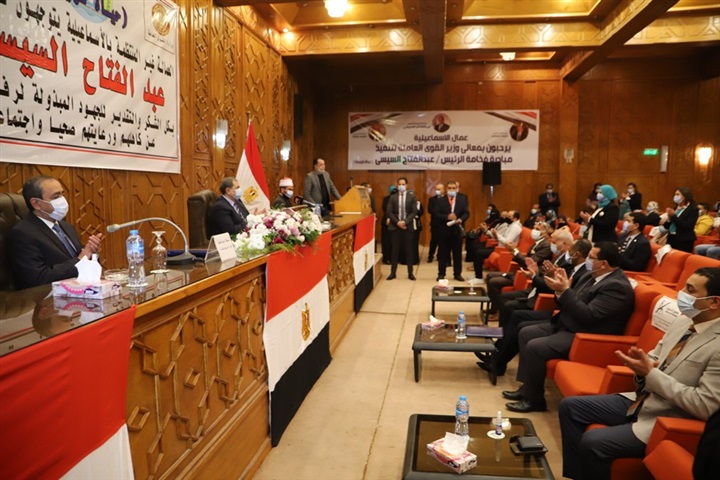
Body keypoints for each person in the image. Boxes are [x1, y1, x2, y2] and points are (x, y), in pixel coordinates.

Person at [558, 267, 720, 480]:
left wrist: (651, 374)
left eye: (690, 290)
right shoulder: (683, 321)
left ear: (714, 302)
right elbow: (656, 356)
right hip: (642, 400)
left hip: (669, 417)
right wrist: (641, 368)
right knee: (570, 407)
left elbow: (706, 405)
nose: (681, 294)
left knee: (593, 441)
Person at [503, 242, 635, 413]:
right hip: (567, 323)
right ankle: (527, 388)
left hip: (586, 335)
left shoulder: (617, 286)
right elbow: (566, 301)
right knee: (526, 332)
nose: (587, 260)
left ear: (604, 264)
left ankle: (534, 401)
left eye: (591, 258)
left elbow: (588, 316)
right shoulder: (590, 275)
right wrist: (559, 290)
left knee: (535, 347)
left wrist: (565, 291)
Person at [478, 238, 591, 376]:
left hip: (558, 313)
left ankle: (498, 361)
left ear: (577, 253)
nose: (568, 252)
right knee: (513, 313)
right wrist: (541, 275)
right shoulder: (572, 267)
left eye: (570, 250)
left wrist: (537, 277)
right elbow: (558, 291)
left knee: (518, 320)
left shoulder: (583, 273)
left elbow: (565, 296)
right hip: (555, 307)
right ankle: (496, 355)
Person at [8, 175, 104, 290]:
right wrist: (80, 260)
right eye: (56, 196)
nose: (62, 200)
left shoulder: (67, 227)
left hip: (81, 290)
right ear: (36, 204)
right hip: (48, 296)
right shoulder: (22, 234)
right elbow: (38, 278)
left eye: (62, 194)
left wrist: (92, 253)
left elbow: (83, 258)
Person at [485, 223, 553, 318]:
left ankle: (499, 312)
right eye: (534, 228)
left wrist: (515, 251)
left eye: (537, 229)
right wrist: (513, 251)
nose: (534, 231)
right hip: (520, 271)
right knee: (489, 276)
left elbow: (530, 262)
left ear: (545, 233)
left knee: (494, 282)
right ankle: (494, 309)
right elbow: (525, 259)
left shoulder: (546, 246)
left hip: (526, 275)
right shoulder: (537, 242)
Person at [433, 180, 469, 281]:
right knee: (443, 253)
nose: (452, 190)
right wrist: (447, 217)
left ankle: (457, 274)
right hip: (444, 230)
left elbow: (466, 213)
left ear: (456, 189)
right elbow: (436, 214)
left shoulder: (462, 199)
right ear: (446, 189)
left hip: (457, 230)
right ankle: (441, 273)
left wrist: (461, 219)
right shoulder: (440, 200)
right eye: (450, 188)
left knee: (457, 254)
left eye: (454, 188)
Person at [472, 210, 523, 278]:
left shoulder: (515, 227)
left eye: (509, 217)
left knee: (479, 253)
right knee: (477, 249)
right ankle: (477, 275)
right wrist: (495, 234)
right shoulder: (510, 225)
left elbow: (507, 242)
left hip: (505, 250)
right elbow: (502, 237)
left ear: (515, 218)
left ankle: (478, 277)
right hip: (499, 247)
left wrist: (497, 235)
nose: (506, 218)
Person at [386, 178, 417, 280]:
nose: (401, 186)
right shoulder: (393, 197)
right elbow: (389, 212)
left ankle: (410, 273)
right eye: (399, 184)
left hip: (407, 227)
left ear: (406, 185)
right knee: (394, 251)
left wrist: (405, 222)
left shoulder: (412, 197)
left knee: (409, 251)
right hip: (395, 227)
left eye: (403, 184)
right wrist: (398, 222)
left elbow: (414, 212)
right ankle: (393, 273)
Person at [662, 186, 698, 253]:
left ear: (685, 196)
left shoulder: (693, 209)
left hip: (684, 240)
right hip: (671, 237)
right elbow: (666, 226)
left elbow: (687, 226)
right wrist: (669, 218)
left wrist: (673, 216)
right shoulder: (676, 208)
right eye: (675, 194)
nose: (675, 196)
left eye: (677, 194)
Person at [427, 183, 444, 262]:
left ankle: (440, 255)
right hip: (435, 223)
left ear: (443, 190)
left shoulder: (446, 199)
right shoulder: (432, 199)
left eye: (439, 189)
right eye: (436, 189)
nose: (437, 191)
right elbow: (430, 210)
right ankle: (430, 256)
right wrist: (438, 213)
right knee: (434, 240)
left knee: (443, 241)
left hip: (444, 223)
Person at [381, 185, 397, 264]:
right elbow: (386, 209)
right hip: (387, 222)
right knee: (386, 241)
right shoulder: (386, 199)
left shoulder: (398, 198)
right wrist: (389, 217)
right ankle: (386, 258)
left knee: (395, 241)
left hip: (396, 222)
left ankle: (394, 257)